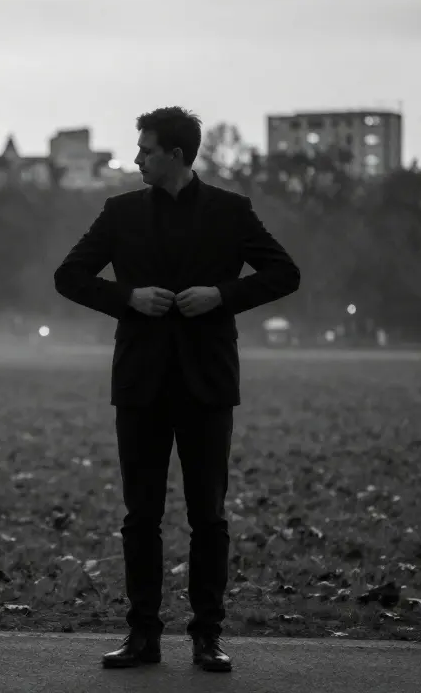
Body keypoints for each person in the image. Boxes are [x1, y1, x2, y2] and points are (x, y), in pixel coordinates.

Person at [53, 107, 300, 673]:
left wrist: (222, 294)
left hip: (206, 385)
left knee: (207, 517)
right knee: (140, 516)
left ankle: (207, 637)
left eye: (146, 149)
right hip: (140, 384)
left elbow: (285, 273)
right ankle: (142, 636)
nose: (137, 157)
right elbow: (69, 276)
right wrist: (128, 297)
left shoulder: (230, 212)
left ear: (177, 155)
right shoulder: (120, 212)